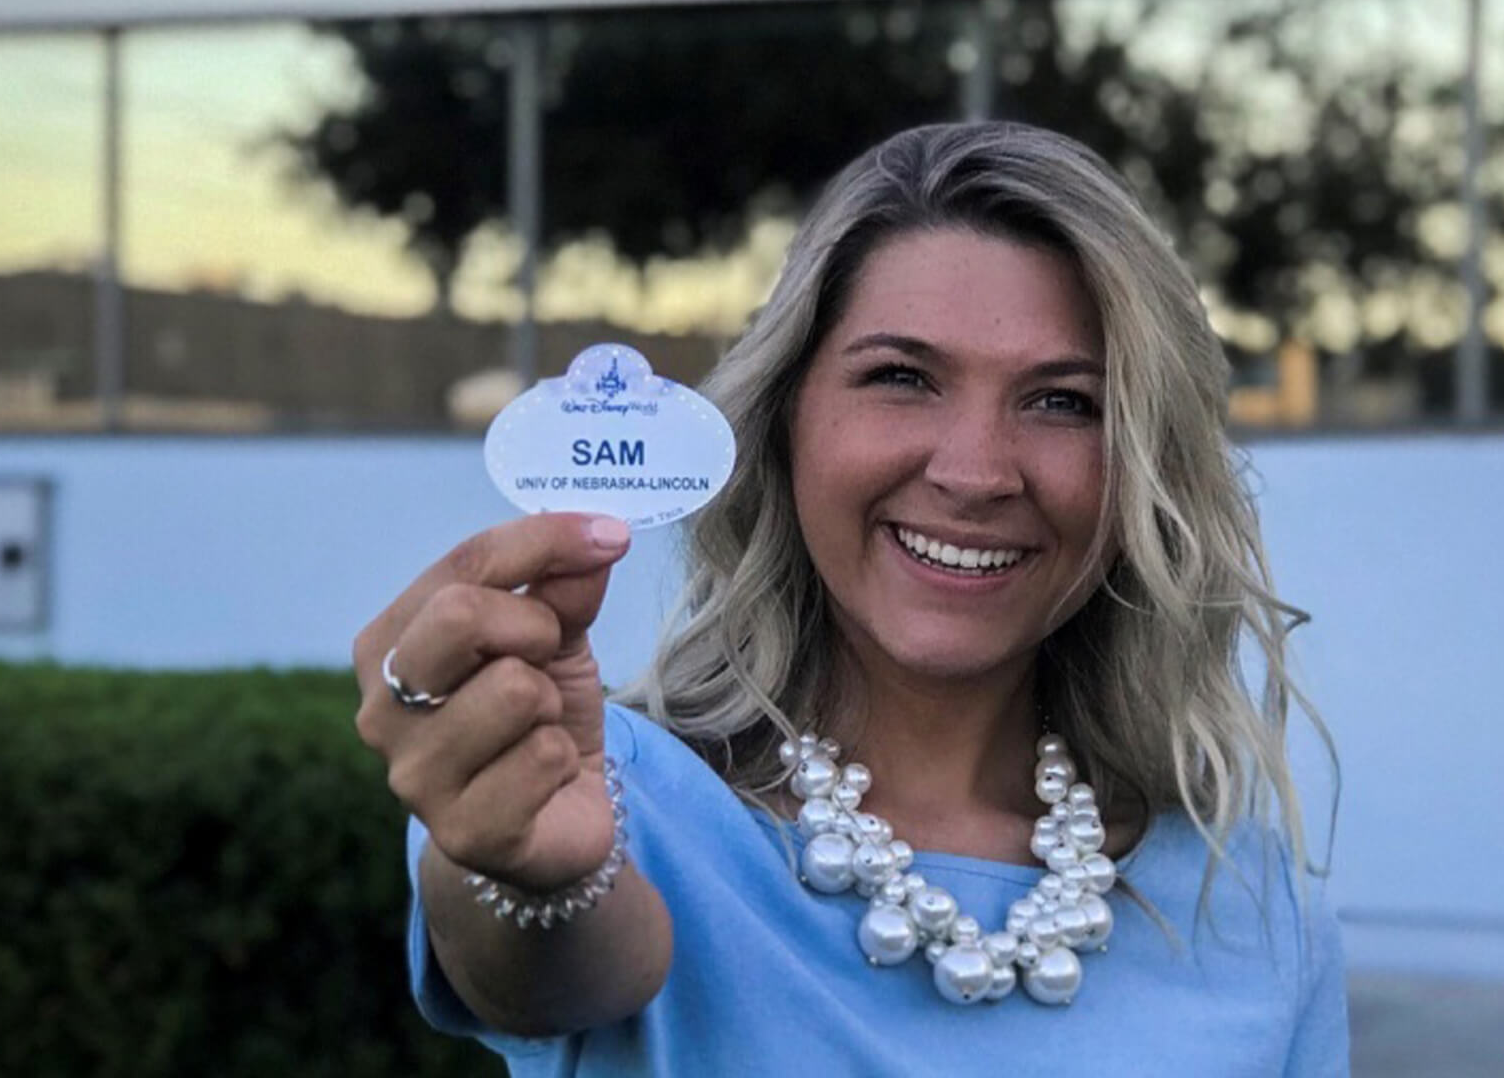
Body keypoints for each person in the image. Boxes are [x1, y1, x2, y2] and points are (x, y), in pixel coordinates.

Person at [354, 121, 1347, 1076]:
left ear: (1138, 471)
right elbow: (546, 970)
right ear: (787, 424)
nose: (975, 473)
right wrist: (541, 877)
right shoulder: (591, 786)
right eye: (903, 377)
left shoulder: (1252, 910)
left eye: (1062, 401)